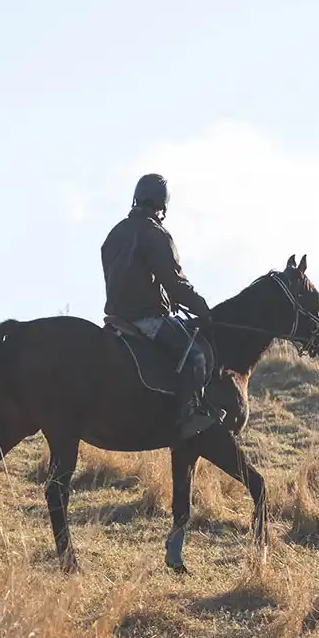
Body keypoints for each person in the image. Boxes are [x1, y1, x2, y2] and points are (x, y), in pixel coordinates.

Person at [101, 172, 220, 439]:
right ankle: (187, 417)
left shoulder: (115, 233)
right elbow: (174, 281)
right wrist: (201, 308)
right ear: (162, 205)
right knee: (196, 356)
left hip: (116, 318)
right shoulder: (156, 234)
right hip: (145, 319)